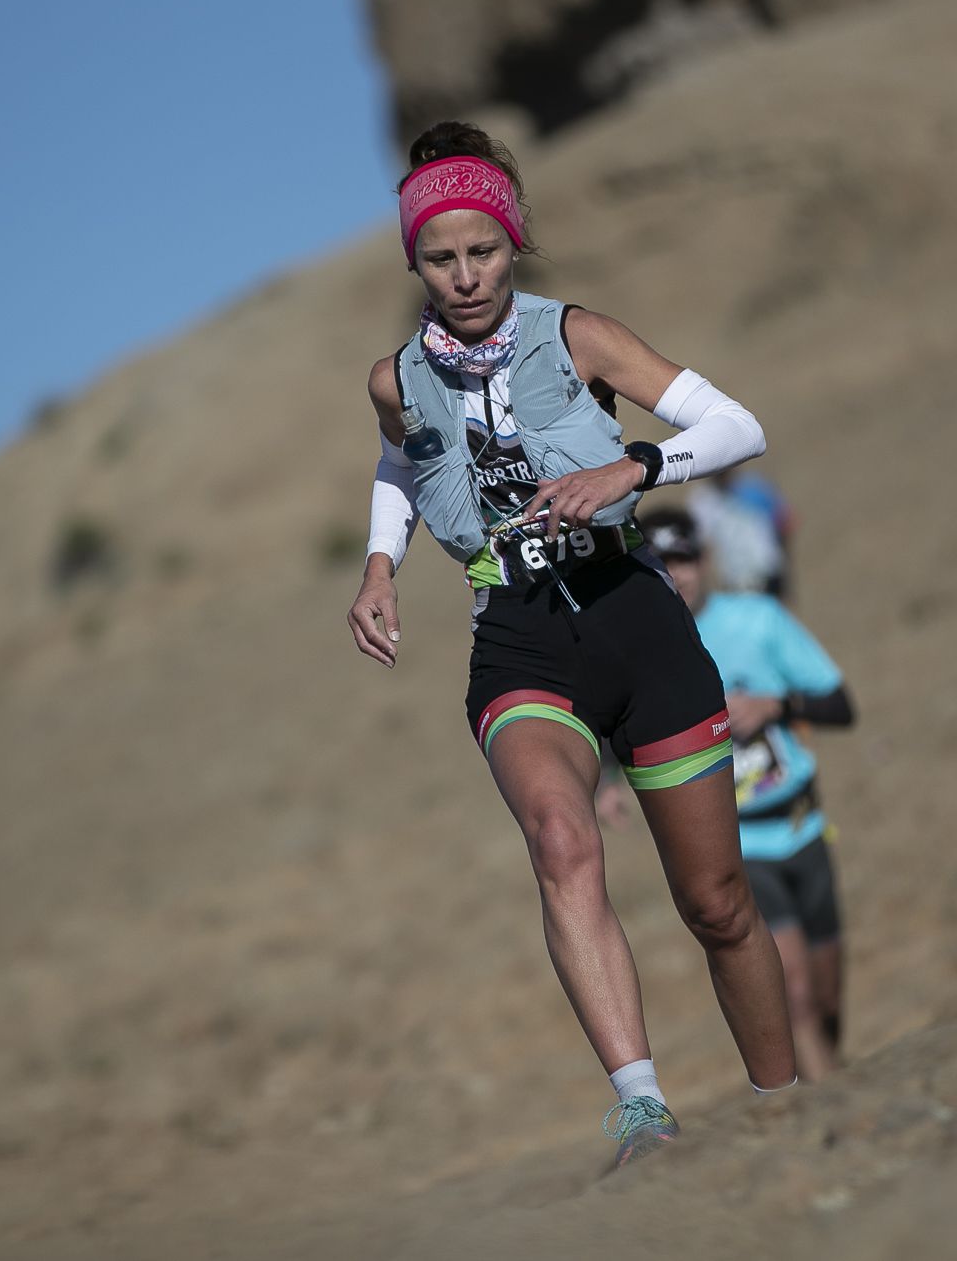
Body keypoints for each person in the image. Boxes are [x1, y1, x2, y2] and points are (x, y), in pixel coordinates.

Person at [346, 121, 799, 1170]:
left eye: (483, 252)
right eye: (439, 257)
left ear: (513, 243)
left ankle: (786, 1109)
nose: (464, 277)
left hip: (634, 619)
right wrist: (378, 565)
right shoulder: (395, 376)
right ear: (412, 260)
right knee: (559, 841)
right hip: (517, 639)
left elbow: (737, 425)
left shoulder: (578, 334)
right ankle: (642, 1110)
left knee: (716, 904)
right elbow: (403, 462)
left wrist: (632, 467)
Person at [645, 508, 856, 1080]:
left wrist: (774, 706)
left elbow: (841, 705)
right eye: (661, 563)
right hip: (743, 844)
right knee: (795, 996)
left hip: (805, 828)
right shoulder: (648, 651)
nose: (677, 575)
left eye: (685, 559)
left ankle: (829, 1079)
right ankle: (826, 1110)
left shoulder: (759, 621)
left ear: (706, 559)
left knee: (828, 998)